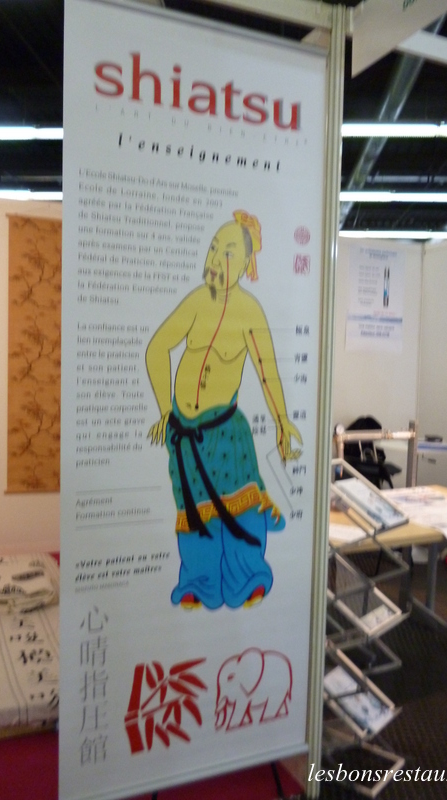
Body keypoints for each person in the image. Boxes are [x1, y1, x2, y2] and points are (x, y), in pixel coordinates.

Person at [146, 210, 302, 611]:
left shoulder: (250, 311)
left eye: (228, 252)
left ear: (248, 263)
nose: (216, 258)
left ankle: (247, 577)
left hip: (227, 432)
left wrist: (282, 421)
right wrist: (164, 411)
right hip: (184, 432)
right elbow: (157, 348)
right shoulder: (197, 301)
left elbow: (267, 371)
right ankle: (199, 581)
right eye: (214, 248)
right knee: (192, 510)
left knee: (240, 506)